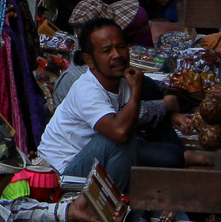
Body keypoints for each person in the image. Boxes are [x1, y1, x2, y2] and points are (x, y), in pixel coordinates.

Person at [36, 19, 210, 192]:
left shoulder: (122, 81)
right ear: (89, 60)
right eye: (106, 51)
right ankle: (114, 205)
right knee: (119, 136)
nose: (117, 55)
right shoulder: (86, 89)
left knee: (171, 156)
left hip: (97, 155)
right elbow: (119, 132)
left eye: (121, 47)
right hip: (62, 171)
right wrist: (136, 91)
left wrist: (167, 111)